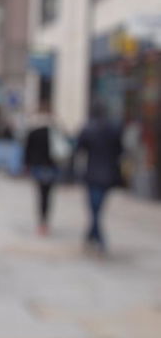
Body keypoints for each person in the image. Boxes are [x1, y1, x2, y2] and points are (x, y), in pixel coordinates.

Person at [76, 102, 123, 254]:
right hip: (109, 174)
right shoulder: (113, 129)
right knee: (97, 207)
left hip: (93, 174)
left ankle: (99, 238)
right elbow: (120, 150)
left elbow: (79, 149)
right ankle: (90, 235)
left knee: (95, 208)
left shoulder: (88, 129)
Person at [24, 100, 62, 236]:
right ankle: (45, 221)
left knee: (40, 194)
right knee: (48, 195)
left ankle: (42, 221)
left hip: (38, 166)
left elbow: (27, 150)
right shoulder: (56, 129)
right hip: (52, 166)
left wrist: (26, 165)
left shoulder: (33, 130)